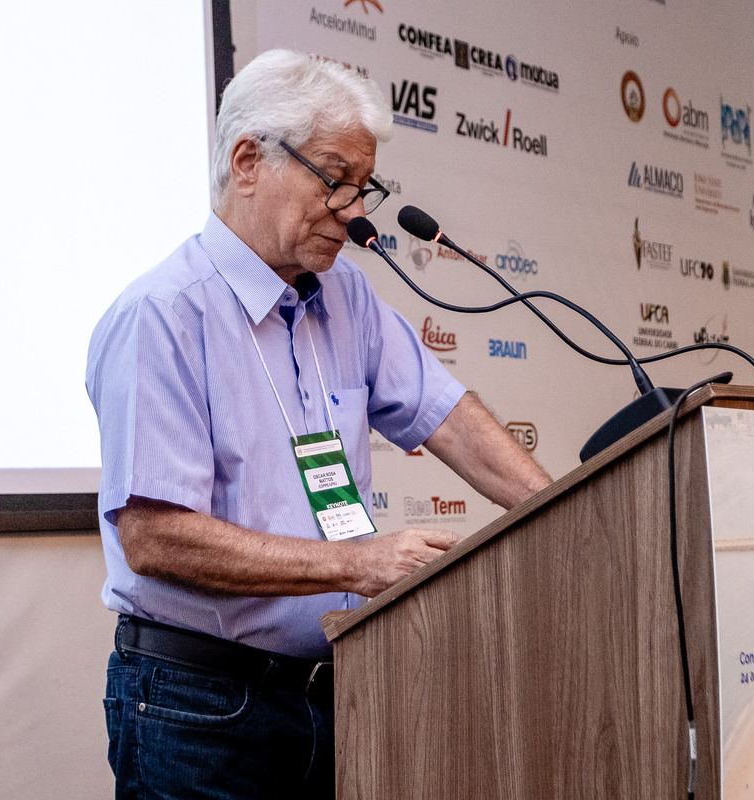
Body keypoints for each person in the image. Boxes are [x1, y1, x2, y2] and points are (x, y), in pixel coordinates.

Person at [85, 49, 552, 799]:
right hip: (200, 707)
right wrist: (355, 564)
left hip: (339, 693)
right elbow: (155, 536)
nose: (355, 211)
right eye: (334, 179)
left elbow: (449, 418)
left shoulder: (348, 298)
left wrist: (562, 511)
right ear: (247, 162)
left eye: (365, 188)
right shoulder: (163, 316)